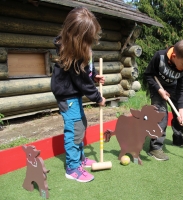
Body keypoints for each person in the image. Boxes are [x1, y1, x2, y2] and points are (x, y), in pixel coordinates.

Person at [50, 7, 105, 182]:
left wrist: (94, 76)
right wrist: (97, 97)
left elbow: (85, 73)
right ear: (78, 39)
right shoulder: (72, 55)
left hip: (74, 94)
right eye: (88, 40)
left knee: (81, 124)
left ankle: (80, 159)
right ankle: (72, 168)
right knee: (75, 130)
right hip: (68, 96)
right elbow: (81, 80)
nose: (90, 43)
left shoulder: (79, 49)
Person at [144, 39, 183, 161]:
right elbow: (148, 75)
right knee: (161, 115)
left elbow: (181, 88)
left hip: (173, 87)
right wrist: (159, 90)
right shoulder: (160, 57)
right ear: (174, 56)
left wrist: (180, 108)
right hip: (157, 88)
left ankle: (178, 138)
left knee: (181, 113)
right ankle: (155, 147)